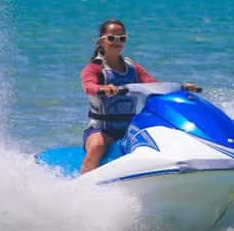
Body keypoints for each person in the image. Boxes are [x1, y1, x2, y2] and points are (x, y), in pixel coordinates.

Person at [80, 18, 196, 174]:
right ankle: (83, 184)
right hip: (102, 130)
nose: (117, 41)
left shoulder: (133, 68)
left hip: (130, 129)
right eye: (111, 38)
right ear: (101, 41)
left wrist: (182, 87)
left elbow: (153, 85)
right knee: (97, 146)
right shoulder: (94, 68)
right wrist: (103, 88)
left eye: (122, 38)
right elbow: (89, 86)